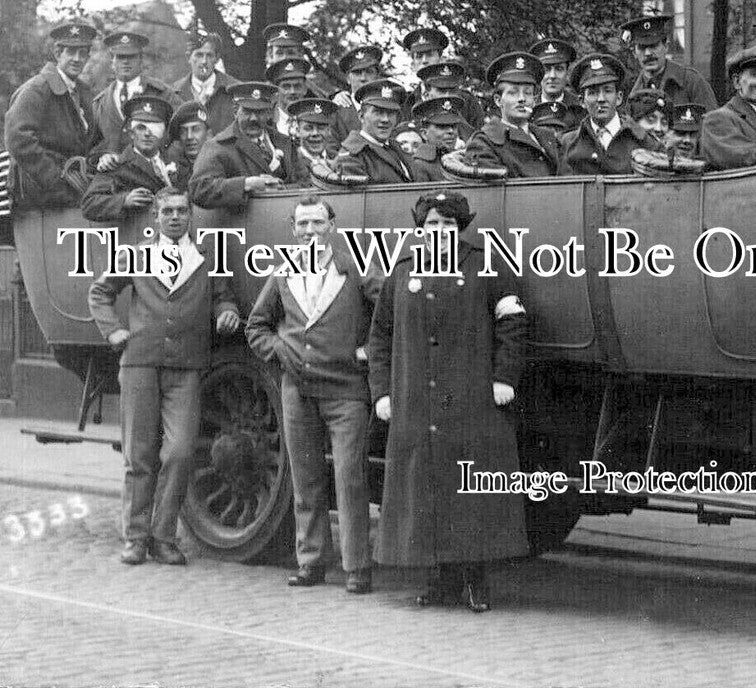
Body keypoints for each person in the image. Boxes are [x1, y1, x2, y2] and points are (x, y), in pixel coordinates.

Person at [368, 191, 529, 611]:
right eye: (432, 224)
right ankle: (439, 580)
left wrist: (504, 378)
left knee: (469, 491)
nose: (439, 231)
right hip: (417, 400)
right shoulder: (403, 270)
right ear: (420, 229)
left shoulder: (486, 264)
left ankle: (475, 581)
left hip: (470, 398)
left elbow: (512, 322)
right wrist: (381, 391)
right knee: (426, 490)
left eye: (448, 224)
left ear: (461, 228)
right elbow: (380, 335)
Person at [87, 186, 241, 566]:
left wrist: (227, 312)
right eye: (167, 211)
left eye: (181, 211)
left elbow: (223, 296)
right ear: (155, 217)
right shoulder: (137, 255)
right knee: (139, 454)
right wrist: (113, 331)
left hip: (186, 367)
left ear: (191, 215)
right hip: (140, 364)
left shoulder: (206, 258)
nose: (174, 217)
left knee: (180, 452)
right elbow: (100, 293)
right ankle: (136, 538)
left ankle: (163, 536)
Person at [246, 195, 382, 595]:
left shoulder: (354, 266)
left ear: (332, 227)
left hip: (346, 391)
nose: (310, 231)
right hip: (298, 391)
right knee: (306, 478)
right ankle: (311, 561)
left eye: (318, 223)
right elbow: (256, 326)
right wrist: (279, 350)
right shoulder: (283, 272)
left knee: (350, 478)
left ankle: (357, 567)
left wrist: (369, 351)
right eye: (303, 224)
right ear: (293, 229)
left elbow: (389, 311)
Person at [4, 21, 100, 209]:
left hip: (72, 189)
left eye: (82, 53)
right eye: (71, 52)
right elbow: (17, 139)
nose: (77, 59)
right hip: (39, 194)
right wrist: (55, 180)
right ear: (58, 54)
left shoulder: (83, 92)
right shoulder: (37, 89)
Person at [188, 82, 309, 209]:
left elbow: (305, 183)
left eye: (260, 112)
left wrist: (281, 188)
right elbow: (199, 189)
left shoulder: (284, 143)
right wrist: (247, 184)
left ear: (269, 112)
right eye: (247, 112)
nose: (253, 118)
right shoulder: (219, 146)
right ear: (235, 111)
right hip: (242, 219)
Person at [82, 96, 189, 221]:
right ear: (131, 133)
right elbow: (89, 204)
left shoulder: (177, 161)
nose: (147, 134)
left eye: (155, 128)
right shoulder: (116, 165)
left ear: (164, 133)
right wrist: (124, 200)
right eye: (141, 128)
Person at [462, 52, 559, 178]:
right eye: (513, 93)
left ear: (534, 100)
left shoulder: (547, 137)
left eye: (527, 93)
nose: (522, 99)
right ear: (498, 100)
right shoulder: (485, 142)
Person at [559, 53, 654, 175]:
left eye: (608, 91)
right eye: (593, 93)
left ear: (619, 97)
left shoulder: (642, 140)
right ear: (582, 101)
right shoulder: (568, 144)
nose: (601, 99)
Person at [91, 31, 178, 160]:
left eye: (131, 57)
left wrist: (167, 160)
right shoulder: (100, 103)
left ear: (141, 60)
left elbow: (183, 132)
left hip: (153, 170)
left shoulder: (163, 93)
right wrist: (102, 157)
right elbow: (92, 146)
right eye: (120, 57)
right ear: (112, 62)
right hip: (113, 171)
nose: (126, 62)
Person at [331, 79, 437, 184]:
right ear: (361, 116)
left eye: (391, 113)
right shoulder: (351, 158)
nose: (385, 119)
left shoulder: (397, 148)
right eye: (378, 112)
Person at [622, 14, 718, 111]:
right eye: (642, 48)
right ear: (634, 53)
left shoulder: (692, 82)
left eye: (653, 46)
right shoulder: (632, 93)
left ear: (666, 46)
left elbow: (713, 119)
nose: (648, 53)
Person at [171, 30, 238, 136]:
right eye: (199, 55)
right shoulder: (174, 92)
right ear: (189, 57)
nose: (204, 62)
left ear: (217, 59)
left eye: (209, 55)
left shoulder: (234, 89)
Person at [330, 44, 385, 137]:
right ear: (348, 78)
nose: (363, 78)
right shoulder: (336, 112)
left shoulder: (390, 106)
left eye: (369, 72)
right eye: (357, 73)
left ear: (377, 76)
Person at [530, 38, 584, 130]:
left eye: (559, 69)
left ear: (567, 72)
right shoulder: (529, 108)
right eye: (546, 69)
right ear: (538, 73)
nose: (552, 76)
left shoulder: (580, 108)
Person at [412, 95, 466, 175]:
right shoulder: (419, 165)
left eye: (454, 126)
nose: (451, 131)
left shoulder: (461, 159)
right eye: (442, 127)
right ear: (424, 134)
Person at [266, 57, 312, 139]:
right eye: (286, 86)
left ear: (305, 89)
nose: (292, 91)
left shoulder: (314, 118)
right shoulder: (266, 119)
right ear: (277, 90)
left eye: (297, 86)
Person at [288, 97, 340, 169]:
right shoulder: (289, 162)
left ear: (329, 131)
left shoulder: (339, 160)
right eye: (308, 128)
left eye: (321, 128)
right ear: (298, 131)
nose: (315, 133)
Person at [167, 101, 211, 171]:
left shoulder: (220, 164)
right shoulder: (169, 167)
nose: (189, 136)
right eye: (184, 131)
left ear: (208, 133)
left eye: (196, 129)